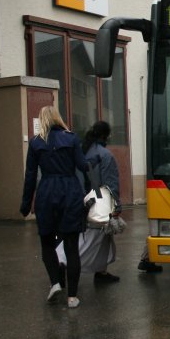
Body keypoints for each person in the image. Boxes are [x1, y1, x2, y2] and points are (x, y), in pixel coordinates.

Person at [20, 105, 89, 309]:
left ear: (42, 120)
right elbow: (82, 165)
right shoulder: (72, 138)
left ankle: (55, 283)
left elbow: (30, 175)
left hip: (47, 193)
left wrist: (25, 204)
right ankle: (72, 297)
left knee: (47, 243)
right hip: (70, 191)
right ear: (58, 118)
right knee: (71, 247)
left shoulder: (36, 143)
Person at [80, 121, 121, 283]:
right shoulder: (105, 155)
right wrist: (116, 206)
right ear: (106, 135)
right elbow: (110, 184)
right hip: (100, 202)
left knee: (97, 238)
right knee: (94, 239)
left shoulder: (83, 150)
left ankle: (101, 271)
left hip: (83, 199)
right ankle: (64, 264)